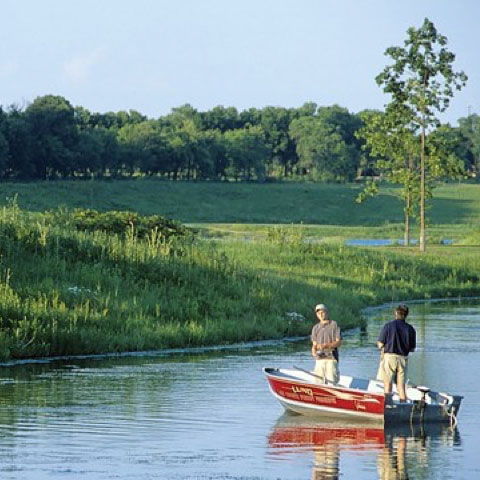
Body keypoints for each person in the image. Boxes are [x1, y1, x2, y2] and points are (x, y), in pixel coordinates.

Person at [377, 304, 416, 402]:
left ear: (396, 313)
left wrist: (382, 347)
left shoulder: (388, 326)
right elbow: (412, 349)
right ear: (406, 315)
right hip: (403, 359)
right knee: (401, 386)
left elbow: (380, 344)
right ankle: (403, 405)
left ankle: (387, 405)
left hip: (390, 357)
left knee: (387, 383)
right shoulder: (411, 329)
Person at [311, 304, 342, 384]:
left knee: (332, 384)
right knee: (318, 384)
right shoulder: (315, 328)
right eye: (318, 313)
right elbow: (314, 345)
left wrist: (326, 346)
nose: (320, 315)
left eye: (322, 312)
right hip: (319, 360)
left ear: (327, 312)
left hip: (331, 359)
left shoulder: (334, 325)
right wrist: (314, 351)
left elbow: (338, 342)